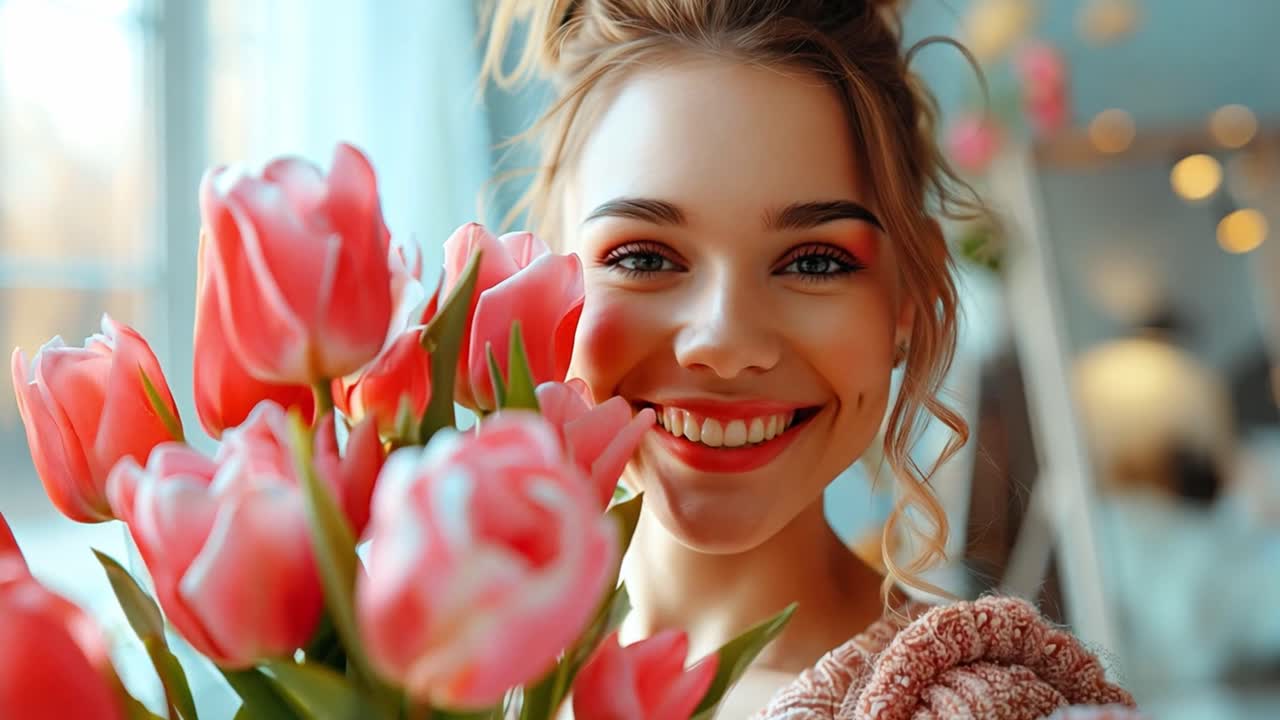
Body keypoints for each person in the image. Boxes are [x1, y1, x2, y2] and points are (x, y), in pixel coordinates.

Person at [481, 2, 1136, 717]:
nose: (725, 343)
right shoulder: (439, 664)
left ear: (908, 298)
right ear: (546, 275)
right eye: (642, 256)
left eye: (816, 262)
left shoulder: (977, 706)